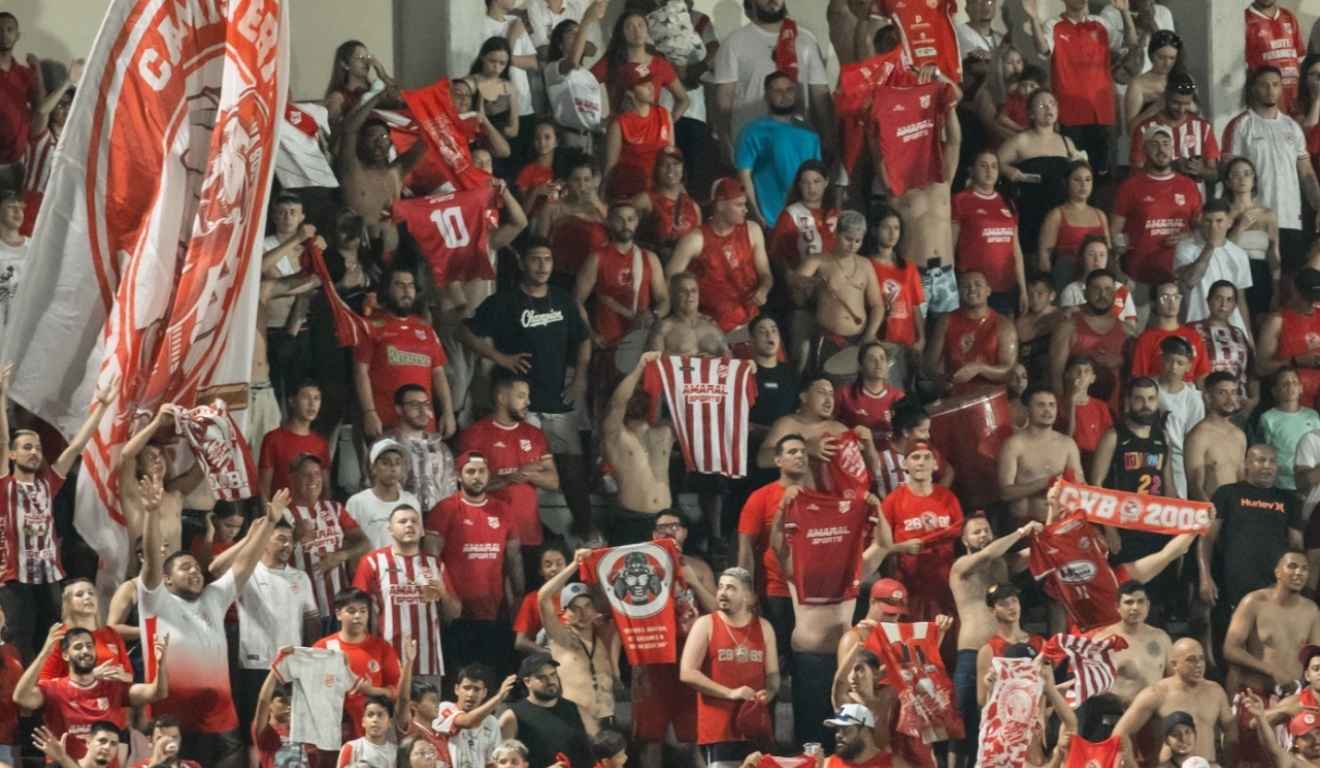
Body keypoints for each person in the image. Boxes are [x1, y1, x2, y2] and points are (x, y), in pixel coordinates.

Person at [138, 479, 280, 768]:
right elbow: (153, 561)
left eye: (196, 567)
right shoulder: (156, 602)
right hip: (174, 724)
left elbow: (244, 565)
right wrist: (152, 513)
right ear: (166, 580)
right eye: (185, 567)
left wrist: (268, 526)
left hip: (223, 725)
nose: (195, 572)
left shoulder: (212, 598)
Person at [462, 239, 593, 537]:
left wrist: (579, 378)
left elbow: (584, 339)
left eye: (548, 259)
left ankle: (586, 533)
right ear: (522, 263)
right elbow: (463, 331)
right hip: (518, 406)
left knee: (572, 470)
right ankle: (520, 534)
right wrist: (500, 358)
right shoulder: (504, 301)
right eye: (536, 259)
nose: (543, 266)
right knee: (518, 474)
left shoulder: (561, 300)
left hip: (556, 401)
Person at [0, 370, 111, 660]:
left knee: (51, 637)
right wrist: (1, 397)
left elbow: (75, 447)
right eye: (27, 447)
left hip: (49, 575)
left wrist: (101, 408)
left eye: (37, 447)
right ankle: (20, 701)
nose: (35, 452)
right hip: (14, 578)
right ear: (12, 455)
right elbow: (1, 440)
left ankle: (46, 695)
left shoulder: (48, 482)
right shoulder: (5, 484)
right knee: (19, 640)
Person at [949, 519, 1040, 763]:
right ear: (965, 540)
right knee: (961, 721)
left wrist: (1047, 523)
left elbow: (1041, 548)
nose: (983, 535)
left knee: (1006, 718)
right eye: (976, 532)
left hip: (1006, 653)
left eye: (987, 530)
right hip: (972, 650)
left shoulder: (1003, 564)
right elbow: (988, 553)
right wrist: (1022, 531)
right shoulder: (961, 566)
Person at [427, 453, 522, 678]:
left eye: (481, 471)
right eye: (470, 472)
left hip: (492, 612)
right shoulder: (445, 509)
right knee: (460, 680)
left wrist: (518, 597)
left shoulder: (503, 510)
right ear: (459, 476)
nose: (477, 477)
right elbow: (430, 559)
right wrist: (446, 601)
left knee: (490, 678)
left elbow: (514, 558)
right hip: (457, 615)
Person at [12, 626, 167, 761]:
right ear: (65, 655)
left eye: (89, 646)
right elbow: (21, 698)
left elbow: (157, 693)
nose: (85, 650)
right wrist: (45, 652)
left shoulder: (113, 687)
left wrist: (161, 665)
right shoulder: (53, 689)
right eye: (78, 647)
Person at [1223, 550, 1320, 764]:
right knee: (1248, 760)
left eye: (1304, 569)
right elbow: (1230, 649)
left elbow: (1316, 659)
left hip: (1292, 701)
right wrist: (1271, 670)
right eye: (1292, 566)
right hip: (1254, 695)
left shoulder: (1312, 611)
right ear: (1277, 571)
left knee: (1284, 760)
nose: (1299, 573)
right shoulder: (1254, 602)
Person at [679, 566, 780, 768]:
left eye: (731, 588)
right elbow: (687, 673)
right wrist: (731, 693)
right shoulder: (705, 624)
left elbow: (773, 674)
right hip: (719, 729)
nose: (722, 593)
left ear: (749, 597)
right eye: (721, 587)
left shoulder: (764, 627)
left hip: (755, 728)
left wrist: (768, 692)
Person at [1223, 66, 1320, 270]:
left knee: (1290, 285)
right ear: (1253, 89)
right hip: (1254, 220)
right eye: (1264, 84)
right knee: (1261, 286)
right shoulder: (1240, 125)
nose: (1270, 90)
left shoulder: (1292, 127)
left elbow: (1306, 173)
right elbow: (1227, 173)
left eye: (1275, 84)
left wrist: (1318, 205)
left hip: (1291, 218)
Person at [710, 0, 832, 161]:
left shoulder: (805, 39)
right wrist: (725, 142)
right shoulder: (734, 42)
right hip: (751, 144)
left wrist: (828, 138)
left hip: (798, 142)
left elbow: (820, 95)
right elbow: (724, 100)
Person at [232, 518, 318, 742]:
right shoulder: (247, 573)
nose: (287, 545)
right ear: (264, 541)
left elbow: (312, 622)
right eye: (281, 539)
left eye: (290, 540)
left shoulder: (300, 577)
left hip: (290, 669)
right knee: (253, 733)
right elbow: (215, 570)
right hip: (255, 666)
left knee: (288, 733)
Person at [458, 374, 558, 551]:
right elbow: (469, 485)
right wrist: (511, 477)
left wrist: (527, 473)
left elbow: (553, 481)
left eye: (528, 396)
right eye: (521, 396)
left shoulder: (535, 434)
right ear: (501, 398)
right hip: (490, 534)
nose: (527, 402)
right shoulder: (475, 434)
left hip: (528, 534)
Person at [355, 266, 456, 440]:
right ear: (387, 290)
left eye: (410, 286)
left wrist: (448, 412)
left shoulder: (425, 328)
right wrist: (369, 412)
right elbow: (360, 371)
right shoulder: (370, 326)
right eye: (400, 285)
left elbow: (438, 373)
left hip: (424, 425)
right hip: (385, 423)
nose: (406, 290)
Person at [665, 177, 772, 337]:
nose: (746, 210)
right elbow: (668, 281)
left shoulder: (753, 230)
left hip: (752, 322)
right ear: (721, 205)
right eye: (739, 205)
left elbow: (765, 273)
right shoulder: (695, 240)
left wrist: (763, 289)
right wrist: (689, 315)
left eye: (745, 204)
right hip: (713, 329)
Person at [1112, 124, 1204, 293]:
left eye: (1166, 143)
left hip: (1179, 279)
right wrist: (1118, 250)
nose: (1161, 149)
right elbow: (1113, 233)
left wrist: (1188, 235)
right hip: (1139, 278)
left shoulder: (1189, 185)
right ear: (1145, 149)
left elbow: (1203, 230)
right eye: (1154, 144)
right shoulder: (1130, 186)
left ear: (1173, 148)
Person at [1112, 639, 1237, 763]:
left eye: (1201, 658)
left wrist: (1229, 763)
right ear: (1174, 664)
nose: (1199, 664)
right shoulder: (1156, 694)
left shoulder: (1215, 691)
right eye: (1191, 659)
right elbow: (1119, 734)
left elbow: (1231, 730)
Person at [538, 550, 619, 737]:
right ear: (564, 613)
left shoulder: (604, 637)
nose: (582, 614)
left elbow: (618, 601)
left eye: (586, 607)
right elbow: (543, 598)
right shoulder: (563, 639)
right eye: (575, 609)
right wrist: (575, 564)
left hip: (608, 719)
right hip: (576, 721)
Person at [1037, 0, 1123, 176]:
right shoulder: (1054, 25)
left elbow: (1130, 42)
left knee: (1103, 176)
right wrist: (1032, 18)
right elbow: (1043, 49)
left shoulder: (1101, 23)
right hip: (1070, 113)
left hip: (1102, 112)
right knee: (1072, 174)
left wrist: (1126, 14)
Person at [791, 210, 883, 372]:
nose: (852, 245)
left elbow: (877, 305)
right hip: (828, 337)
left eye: (857, 241)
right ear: (836, 234)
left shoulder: (866, 265)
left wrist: (870, 334)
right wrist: (813, 282)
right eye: (847, 239)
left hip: (860, 337)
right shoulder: (819, 260)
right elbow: (797, 280)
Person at [336, 86, 426, 252]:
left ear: (390, 143)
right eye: (373, 137)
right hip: (359, 252)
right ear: (360, 143)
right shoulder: (352, 170)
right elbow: (349, 130)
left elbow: (427, 139)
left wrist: (411, 102)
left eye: (384, 137)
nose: (379, 142)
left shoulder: (396, 172)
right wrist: (378, 98)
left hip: (393, 257)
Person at [996, 87, 1081, 260]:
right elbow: (993, 162)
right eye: (1042, 106)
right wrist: (1007, 170)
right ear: (1031, 114)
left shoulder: (1066, 142)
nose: (1049, 109)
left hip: (1061, 210)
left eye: (1052, 104)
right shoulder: (1021, 140)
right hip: (1032, 211)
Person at [574, 200, 669, 353]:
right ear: (609, 222)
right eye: (619, 219)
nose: (626, 224)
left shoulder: (649, 258)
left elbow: (664, 299)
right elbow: (577, 300)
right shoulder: (597, 258)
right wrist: (590, 334)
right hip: (610, 343)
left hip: (641, 340)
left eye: (630, 219)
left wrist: (653, 315)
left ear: (637, 222)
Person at [601, 352, 673, 544]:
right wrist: (640, 366)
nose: (635, 397)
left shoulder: (665, 431)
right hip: (631, 520)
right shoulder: (615, 434)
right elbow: (617, 404)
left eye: (641, 392)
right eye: (631, 393)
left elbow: (691, 406)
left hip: (667, 520)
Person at [289, 453, 370, 621]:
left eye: (317, 474)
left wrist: (341, 556)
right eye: (306, 474)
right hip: (303, 609)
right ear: (293, 478)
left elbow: (365, 543)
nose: (313, 479)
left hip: (339, 606)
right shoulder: (283, 513)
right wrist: (294, 537)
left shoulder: (335, 508)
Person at [734, 74, 823, 227]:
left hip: (807, 222)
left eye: (789, 90)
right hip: (771, 221)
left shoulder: (810, 133)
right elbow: (744, 176)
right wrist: (756, 214)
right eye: (778, 91)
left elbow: (818, 177)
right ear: (767, 95)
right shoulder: (753, 131)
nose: (784, 95)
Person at [313, 588, 403, 740]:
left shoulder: (382, 647)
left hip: (374, 735)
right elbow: (312, 691)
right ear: (338, 614)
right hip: (332, 731)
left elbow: (397, 691)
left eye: (363, 611)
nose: (358, 616)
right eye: (351, 611)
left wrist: (372, 690)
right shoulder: (323, 647)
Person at [951, 151, 1027, 315]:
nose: (989, 171)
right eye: (983, 166)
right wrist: (952, 283)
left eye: (994, 166)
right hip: (973, 288)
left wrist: (1022, 288)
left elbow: (1016, 249)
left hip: (1006, 286)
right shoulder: (960, 200)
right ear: (971, 170)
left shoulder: (1008, 202)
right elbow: (950, 246)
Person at [999, 386, 1085, 524]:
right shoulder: (1014, 445)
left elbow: (1081, 487)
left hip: (1061, 524)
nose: (1048, 410)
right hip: (1024, 526)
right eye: (1041, 405)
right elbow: (1005, 493)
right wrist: (1046, 482)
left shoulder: (1067, 444)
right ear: (1027, 410)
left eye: (1052, 405)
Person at [926, 270, 1020, 394]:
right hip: (953, 396)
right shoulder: (946, 321)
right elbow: (928, 366)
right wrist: (942, 381)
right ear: (958, 291)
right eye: (965, 285)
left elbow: (1009, 371)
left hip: (990, 398)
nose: (972, 289)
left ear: (988, 291)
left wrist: (980, 368)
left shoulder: (1004, 325)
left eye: (978, 285)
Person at [498, 653, 593, 768]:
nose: (551, 681)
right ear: (527, 682)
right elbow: (501, 763)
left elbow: (587, 755)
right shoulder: (512, 716)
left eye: (553, 674)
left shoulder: (572, 707)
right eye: (542, 677)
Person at [1174, 200, 1253, 337]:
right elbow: (1190, 280)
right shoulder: (1186, 247)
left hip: (1232, 327)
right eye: (1208, 221)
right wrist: (1210, 245)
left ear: (1229, 222)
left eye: (1219, 221)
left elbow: (1240, 298)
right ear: (1201, 222)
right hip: (1196, 324)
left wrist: (1248, 333)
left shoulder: (1239, 254)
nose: (1213, 226)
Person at [1129, 72, 1220, 188]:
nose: (1181, 109)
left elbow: (1215, 175)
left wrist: (1201, 170)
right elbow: (1135, 174)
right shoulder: (1144, 129)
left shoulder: (1203, 128)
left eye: (1186, 103)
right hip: (1156, 199)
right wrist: (1171, 166)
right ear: (1165, 97)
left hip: (1194, 202)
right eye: (1176, 103)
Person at [1092, 582, 1174, 706]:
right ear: (1117, 607)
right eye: (1129, 602)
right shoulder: (1103, 640)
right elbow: (1092, 686)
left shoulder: (1162, 638)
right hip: (1116, 713)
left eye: (1140, 601)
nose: (1135, 607)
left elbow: (1174, 680)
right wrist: (1121, 701)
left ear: (1148, 605)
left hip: (1155, 713)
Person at [867, 208, 925, 373]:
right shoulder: (866, 265)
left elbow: (916, 305)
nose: (892, 233)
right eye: (886, 228)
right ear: (874, 230)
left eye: (896, 228)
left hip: (907, 339)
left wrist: (921, 338)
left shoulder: (909, 267)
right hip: (879, 340)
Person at [386, 384, 458, 515]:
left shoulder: (441, 448)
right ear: (399, 409)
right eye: (414, 405)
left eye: (426, 404)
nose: (423, 410)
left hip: (437, 525)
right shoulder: (387, 446)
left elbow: (451, 494)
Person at [604, 68, 675, 200]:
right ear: (630, 92)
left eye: (650, 82)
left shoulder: (664, 115)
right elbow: (610, 168)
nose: (651, 87)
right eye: (643, 84)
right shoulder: (619, 124)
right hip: (631, 191)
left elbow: (672, 158)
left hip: (660, 190)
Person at [1224, 155, 1281, 317]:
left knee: (1261, 320)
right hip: (1232, 273)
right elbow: (1220, 249)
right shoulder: (1224, 213)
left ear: (1254, 180)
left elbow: (1274, 254)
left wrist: (1276, 290)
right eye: (1236, 174)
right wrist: (1239, 227)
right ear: (1228, 182)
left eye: (1247, 173)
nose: (1242, 178)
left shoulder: (1267, 214)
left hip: (1260, 274)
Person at [535, 157, 609, 282]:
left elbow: (616, 236)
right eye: (576, 180)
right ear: (567, 182)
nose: (582, 186)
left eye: (587, 180)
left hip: (596, 276)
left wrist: (597, 204)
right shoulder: (551, 208)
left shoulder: (603, 209)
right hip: (561, 274)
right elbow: (540, 245)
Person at [1037, 161, 1109, 286]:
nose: (1083, 185)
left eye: (1088, 180)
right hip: (1066, 276)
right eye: (1077, 180)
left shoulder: (1100, 215)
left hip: (1096, 277)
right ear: (1066, 182)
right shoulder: (1056, 214)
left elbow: (1108, 250)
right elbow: (1044, 256)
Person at [432, 665, 517, 768]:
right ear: (457, 689)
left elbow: (491, 762)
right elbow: (467, 722)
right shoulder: (444, 708)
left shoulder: (492, 722)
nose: (471, 694)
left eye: (476, 689)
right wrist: (499, 697)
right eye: (466, 688)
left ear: (484, 693)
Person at [258, 380, 330, 500]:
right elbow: (263, 488)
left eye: (317, 398)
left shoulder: (321, 443)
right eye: (306, 397)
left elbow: (325, 489)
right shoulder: (273, 439)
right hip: (283, 514)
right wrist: (270, 516)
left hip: (312, 514)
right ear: (292, 401)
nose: (312, 404)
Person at [1259, 269, 1320, 407]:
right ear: (1295, 291)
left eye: (1316, 299)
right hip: (1290, 404)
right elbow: (1261, 368)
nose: (1312, 304)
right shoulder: (1277, 320)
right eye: (1308, 298)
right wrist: (1295, 361)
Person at [1155, 336, 1207, 500]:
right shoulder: (1149, 387)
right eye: (1169, 361)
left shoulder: (1193, 398)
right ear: (1161, 360)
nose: (1173, 367)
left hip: (1178, 459)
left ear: (1188, 366)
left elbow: (1193, 438)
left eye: (1180, 363)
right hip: (1148, 453)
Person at [1184, 372, 1248, 503]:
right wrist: (1211, 513)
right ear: (1207, 397)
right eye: (1222, 393)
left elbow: (1242, 479)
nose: (1230, 399)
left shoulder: (1239, 435)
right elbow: (1195, 486)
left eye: (1234, 392)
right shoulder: (1198, 436)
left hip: (1236, 514)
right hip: (1210, 514)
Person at [1130, 283, 1212, 383]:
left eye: (1175, 297)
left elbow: (1203, 374)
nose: (1171, 302)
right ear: (1154, 303)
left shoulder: (1194, 336)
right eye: (1164, 297)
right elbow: (1140, 377)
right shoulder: (1146, 339)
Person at [347, 439, 422, 550]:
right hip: (371, 566)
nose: (393, 468)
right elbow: (350, 545)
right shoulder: (357, 502)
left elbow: (416, 542)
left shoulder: (411, 501)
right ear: (373, 468)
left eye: (397, 463)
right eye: (385, 463)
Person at [1191, 281, 1256, 408]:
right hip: (1205, 404)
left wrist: (1254, 400)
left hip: (1238, 404)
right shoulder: (1193, 330)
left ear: (1235, 305)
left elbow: (1252, 371)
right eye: (1218, 298)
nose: (1223, 304)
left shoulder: (1239, 334)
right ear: (1208, 301)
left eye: (1229, 300)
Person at [633, 146, 701, 261]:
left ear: (683, 169)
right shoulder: (645, 200)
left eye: (676, 164)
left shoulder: (694, 207)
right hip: (654, 265)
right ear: (656, 169)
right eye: (664, 164)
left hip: (686, 272)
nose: (671, 169)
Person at [1259, 369, 1320, 492]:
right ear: (1274, 391)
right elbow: (1264, 452)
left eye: (1294, 382)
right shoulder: (1268, 418)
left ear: (1301, 388)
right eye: (1284, 383)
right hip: (1282, 484)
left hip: (1310, 481)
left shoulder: (1312, 415)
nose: (1290, 386)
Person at [0, 12, 40, 191]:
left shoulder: (25, 73)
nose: (4, 34)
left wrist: (37, 69)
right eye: (0, 30)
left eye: (9, 30)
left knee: (14, 215)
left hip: (19, 160)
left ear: (17, 35)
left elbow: (41, 109)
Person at [647, 272, 728, 356]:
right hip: (681, 368)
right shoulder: (663, 328)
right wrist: (693, 360)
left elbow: (730, 360)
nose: (690, 295)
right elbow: (654, 364)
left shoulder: (712, 324)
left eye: (693, 291)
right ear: (672, 295)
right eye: (683, 291)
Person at [1247, 0, 1305, 113]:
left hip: (1295, 103)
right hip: (1267, 107)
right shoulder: (1245, 19)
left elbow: (1300, 60)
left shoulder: (1288, 16)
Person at [1122, 29, 1184, 132]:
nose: (1167, 63)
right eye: (1161, 57)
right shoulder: (1138, 85)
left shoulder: (1181, 80)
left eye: (1172, 58)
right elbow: (1131, 129)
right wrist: (1155, 108)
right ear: (1151, 55)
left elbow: (1198, 117)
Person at [1059, 356, 1115, 463]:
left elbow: (1108, 441)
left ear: (1093, 378)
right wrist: (1072, 403)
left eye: (1086, 371)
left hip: (1095, 458)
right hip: (1068, 458)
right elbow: (1067, 438)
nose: (1081, 375)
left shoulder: (1100, 406)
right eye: (1077, 370)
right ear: (1067, 375)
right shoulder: (1057, 404)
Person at [822, 704, 913, 767]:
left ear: (865, 732)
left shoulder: (895, 764)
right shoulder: (828, 764)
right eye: (838, 729)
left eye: (846, 729)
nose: (838, 735)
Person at [337, 695, 397, 768]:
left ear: (389, 722)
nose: (375, 720)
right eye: (370, 715)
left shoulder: (396, 753)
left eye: (380, 715)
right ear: (363, 722)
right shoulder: (351, 748)